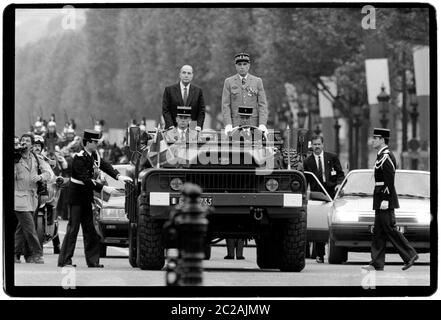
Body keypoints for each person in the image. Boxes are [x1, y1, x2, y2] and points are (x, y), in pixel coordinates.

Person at [57, 129, 133, 268]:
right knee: (73, 229)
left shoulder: (94, 155)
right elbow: (85, 179)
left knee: (90, 230)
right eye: (95, 142)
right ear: (87, 142)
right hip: (77, 197)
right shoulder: (79, 157)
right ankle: (65, 260)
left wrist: (118, 176)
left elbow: (105, 166)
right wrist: (103, 188)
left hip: (86, 197)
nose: (97, 144)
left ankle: (93, 261)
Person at [362, 128, 419, 271]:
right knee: (378, 232)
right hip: (379, 197)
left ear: (382, 140)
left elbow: (389, 179)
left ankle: (410, 255)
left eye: (375, 138)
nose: (373, 140)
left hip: (384, 198)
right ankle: (376, 263)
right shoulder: (381, 155)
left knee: (390, 229)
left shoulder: (387, 156)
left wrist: (386, 199)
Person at [303, 135, 345, 263]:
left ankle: (337, 252)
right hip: (317, 195)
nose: (316, 147)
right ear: (312, 146)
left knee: (334, 223)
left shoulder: (332, 157)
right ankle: (320, 255)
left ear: (323, 145)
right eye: (314, 145)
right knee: (320, 223)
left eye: (318, 144)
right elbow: (305, 180)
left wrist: (339, 184)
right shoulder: (307, 162)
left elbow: (340, 174)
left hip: (332, 194)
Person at [14, 133, 52, 264]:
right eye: (22, 140)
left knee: (21, 228)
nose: (24, 143)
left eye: (27, 141)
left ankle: (15, 254)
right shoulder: (15, 158)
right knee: (30, 227)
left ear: (31, 144)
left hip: (33, 198)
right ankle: (37, 253)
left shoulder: (36, 158)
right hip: (18, 196)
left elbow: (48, 173)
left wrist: (40, 177)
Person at [222, 52, 268, 136]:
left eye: (244, 64)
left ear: (249, 65)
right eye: (239, 64)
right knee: (235, 148)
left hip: (253, 124)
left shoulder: (257, 81)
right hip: (235, 125)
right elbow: (225, 105)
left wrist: (262, 124)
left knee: (254, 148)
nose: (242, 67)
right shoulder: (229, 82)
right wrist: (228, 124)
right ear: (235, 66)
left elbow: (262, 105)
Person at [32, 135, 61, 254]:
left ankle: (56, 243)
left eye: (39, 146)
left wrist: (55, 179)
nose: (37, 148)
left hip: (44, 192)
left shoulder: (44, 159)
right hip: (30, 192)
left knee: (52, 208)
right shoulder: (26, 158)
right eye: (35, 145)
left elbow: (51, 173)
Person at [162, 65, 206, 131]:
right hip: (173, 129)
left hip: (192, 129)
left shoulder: (198, 91)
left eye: (189, 73)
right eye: (184, 73)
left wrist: (198, 126)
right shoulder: (169, 90)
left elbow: (201, 111)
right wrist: (170, 126)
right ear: (180, 74)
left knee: (191, 140)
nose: (186, 75)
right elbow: (165, 110)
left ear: (192, 76)